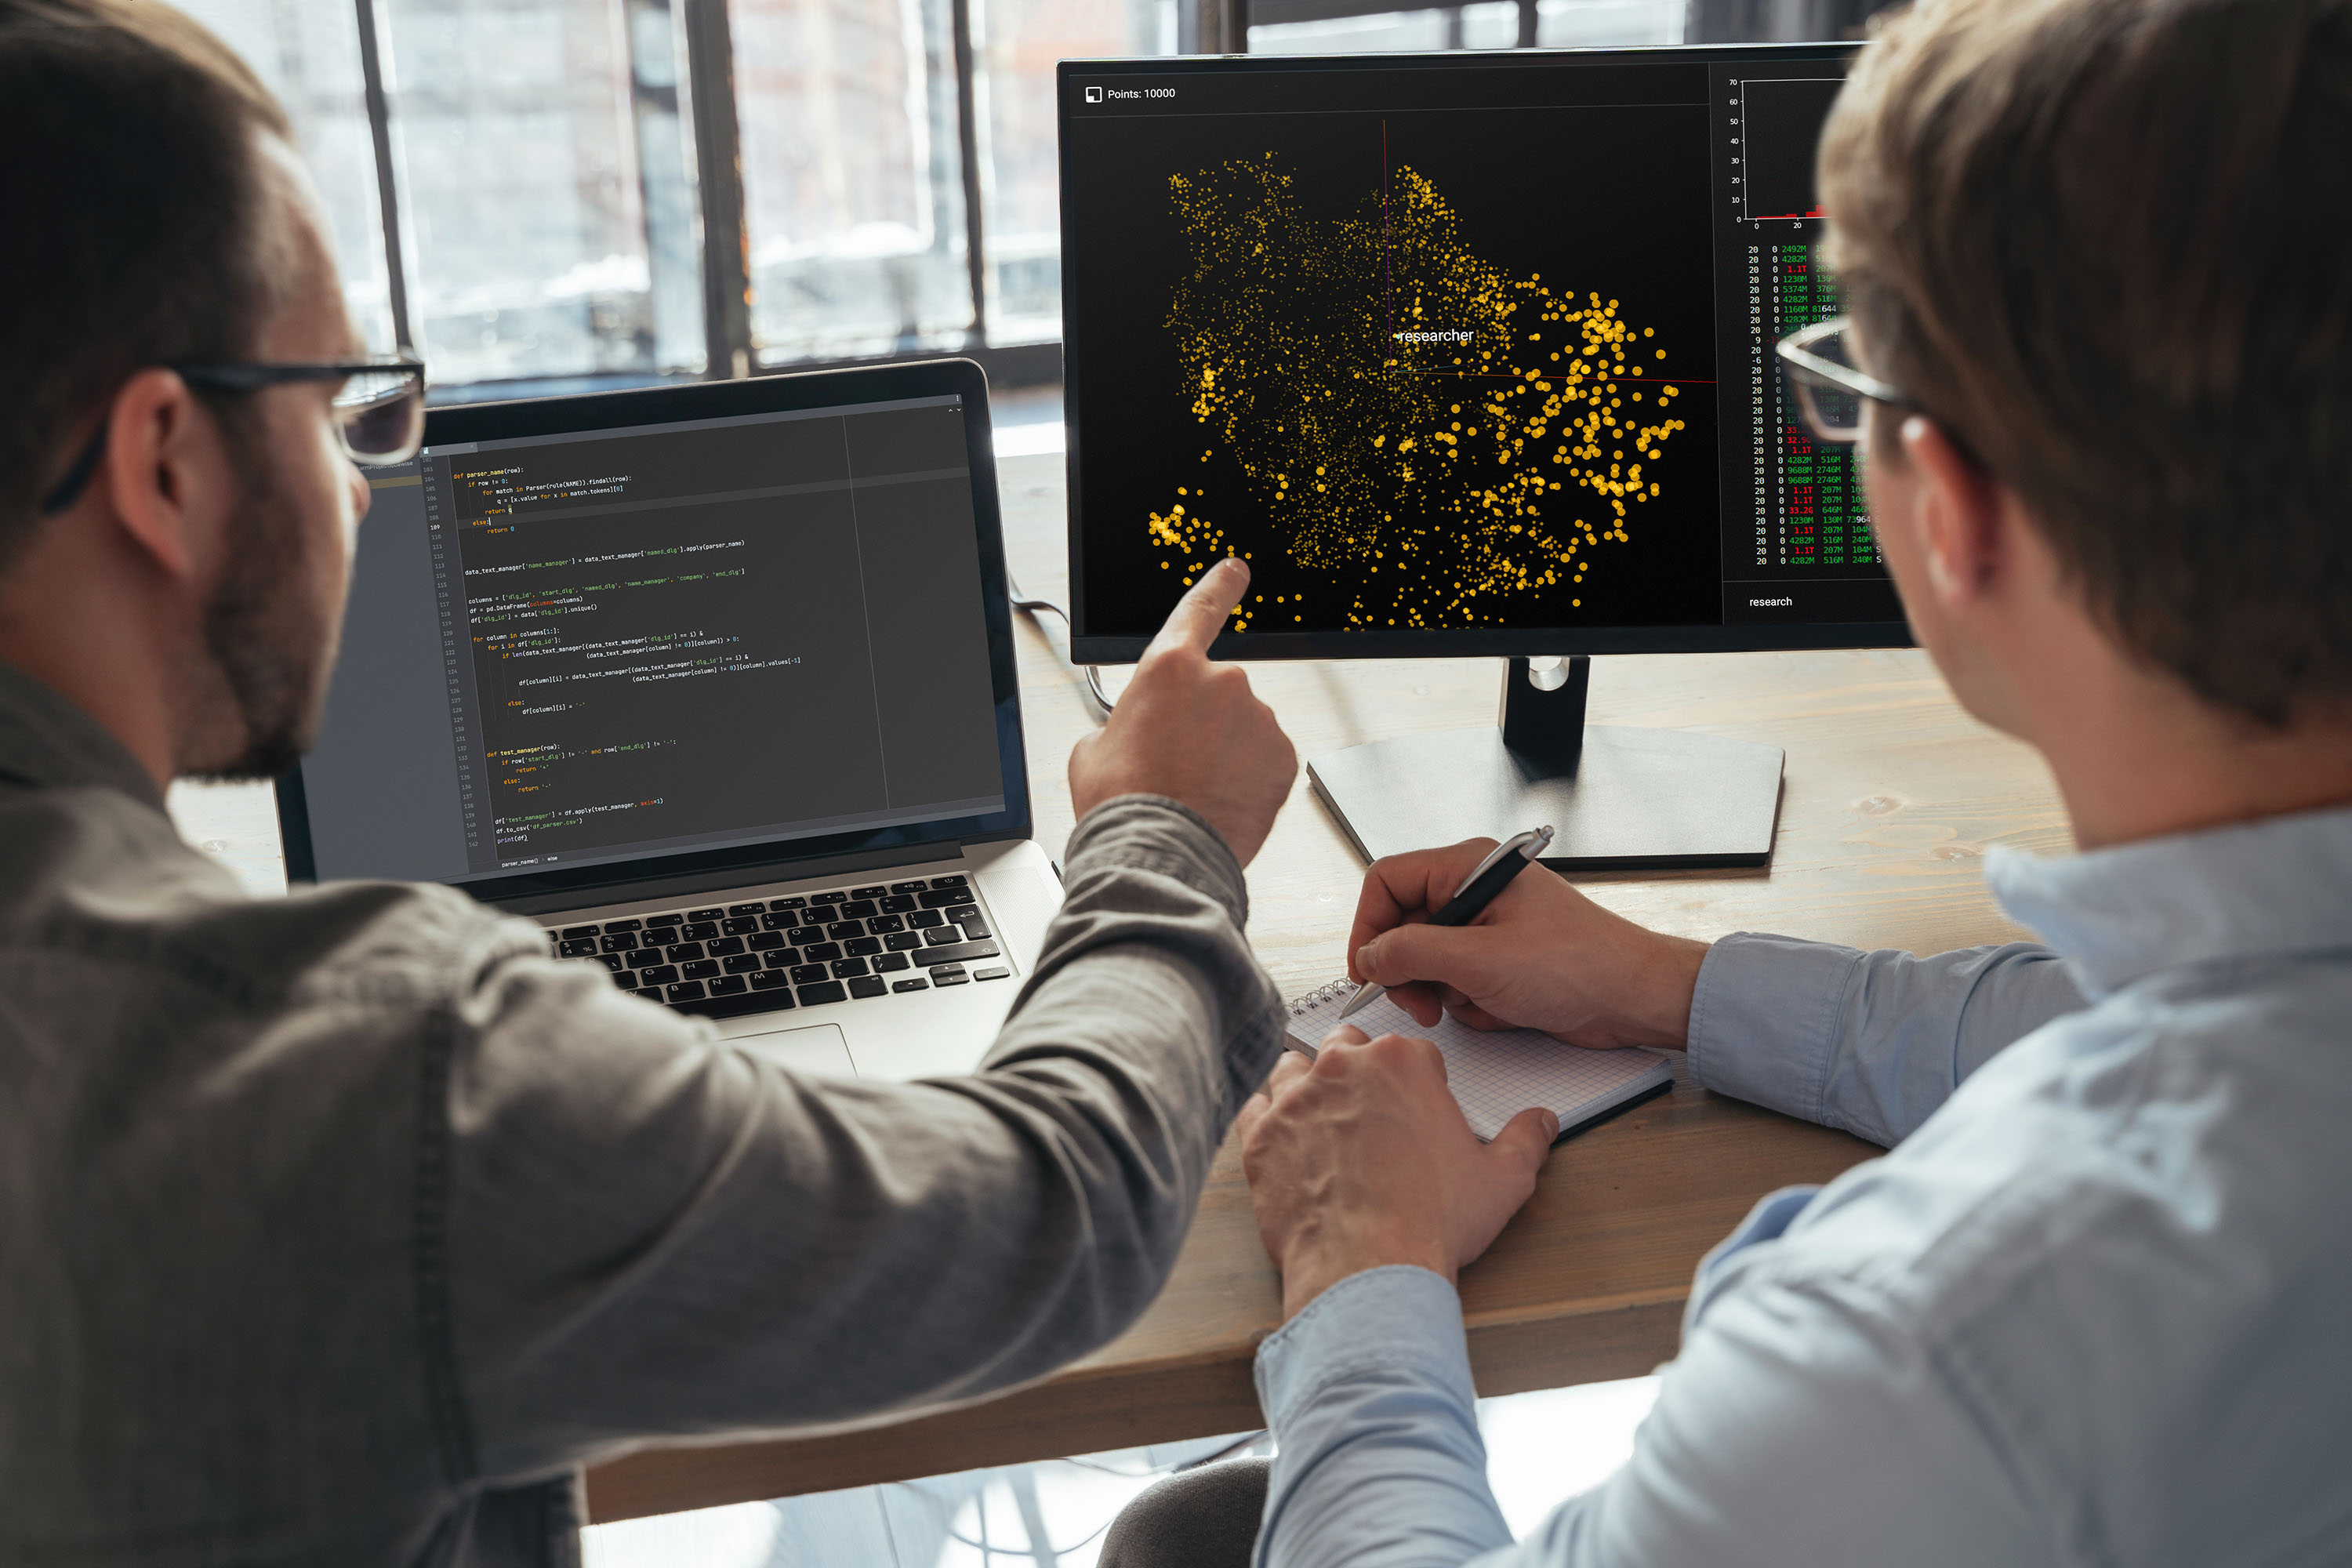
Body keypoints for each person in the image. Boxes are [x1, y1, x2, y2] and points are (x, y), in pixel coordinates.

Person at [0, 2, 1300, 1562]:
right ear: (165, 462)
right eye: (333, 405)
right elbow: (1047, 1217)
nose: (359, 484)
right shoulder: (369, 1069)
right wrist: (1166, 830)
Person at [1110, 0, 2352, 1562]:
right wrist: (1672, 987)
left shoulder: (1931, 1343)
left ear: (1952, 507)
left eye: (1851, 389)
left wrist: (1362, 1271)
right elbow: (2141, 1019)